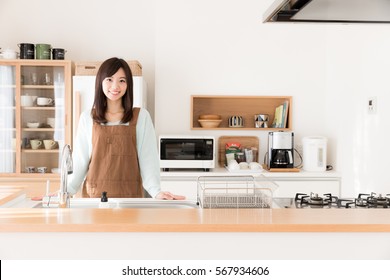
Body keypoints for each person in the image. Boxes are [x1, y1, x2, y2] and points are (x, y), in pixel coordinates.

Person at [66, 57, 185, 200]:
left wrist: (156, 192)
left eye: (122, 80)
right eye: (109, 79)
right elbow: (80, 161)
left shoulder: (141, 117)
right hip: (95, 200)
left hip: (131, 200)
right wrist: (66, 191)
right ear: (100, 82)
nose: (115, 86)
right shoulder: (88, 117)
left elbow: (149, 160)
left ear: (128, 85)